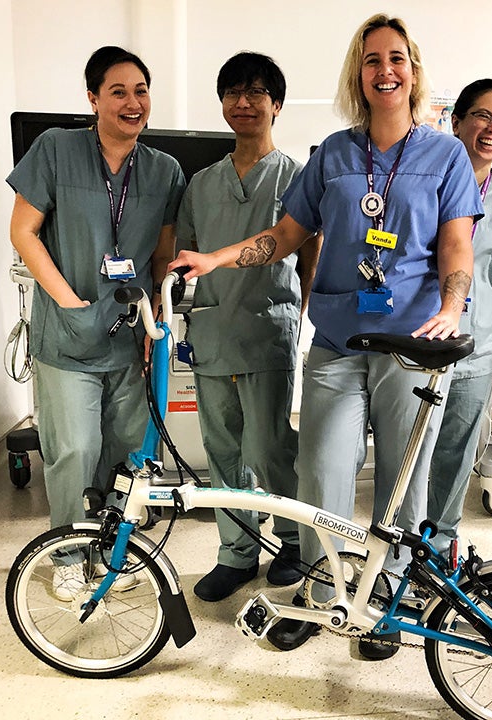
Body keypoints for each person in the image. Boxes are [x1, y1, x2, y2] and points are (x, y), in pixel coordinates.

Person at [169, 13, 482, 659]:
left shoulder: (446, 154)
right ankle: (321, 595)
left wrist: (451, 307)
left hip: (413, 343)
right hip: (339, 342)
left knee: (403, 479)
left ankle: (387, 603)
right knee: (320, 471)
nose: (385, 70)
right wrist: (215, 259)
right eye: (372, 60)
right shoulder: (336, 154)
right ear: (358, 74)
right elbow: (285, 237)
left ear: (413, 71)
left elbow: (457, 248)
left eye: (397, 58)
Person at [7, 46, 186, 600]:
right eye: (118, 92)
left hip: (130, 336)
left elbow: (160, 256)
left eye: (141, 92)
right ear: (92, 99)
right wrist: (69, 302)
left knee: (126, 448)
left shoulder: (164, 170)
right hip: (68, 336)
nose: (133, 103)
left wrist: (161, 319)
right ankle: (65, 553)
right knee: (76, 449)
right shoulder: (55, 150)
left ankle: (110, 547)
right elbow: (24, 232)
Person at [177, 52, 320, 602]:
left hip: (268, 330)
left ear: (276, 105)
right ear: (222, 104)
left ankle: (288, 542)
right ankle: (235, 554)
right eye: (233, 92)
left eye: (256, 92)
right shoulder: (200, 183)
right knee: (221, 451)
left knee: (269, 447)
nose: (244, 102)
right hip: (212, 332)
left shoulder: (296, 177)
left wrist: (296, 318)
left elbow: (309, 258)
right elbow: (185, 256)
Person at [427, 79, 492, 554]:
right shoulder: (426, 180)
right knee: (411, 447)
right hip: (421, 339)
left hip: (476, 343)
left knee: (456, 448)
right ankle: (403, 545)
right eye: (482, 116)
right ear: (457, 121)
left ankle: (442, 540)